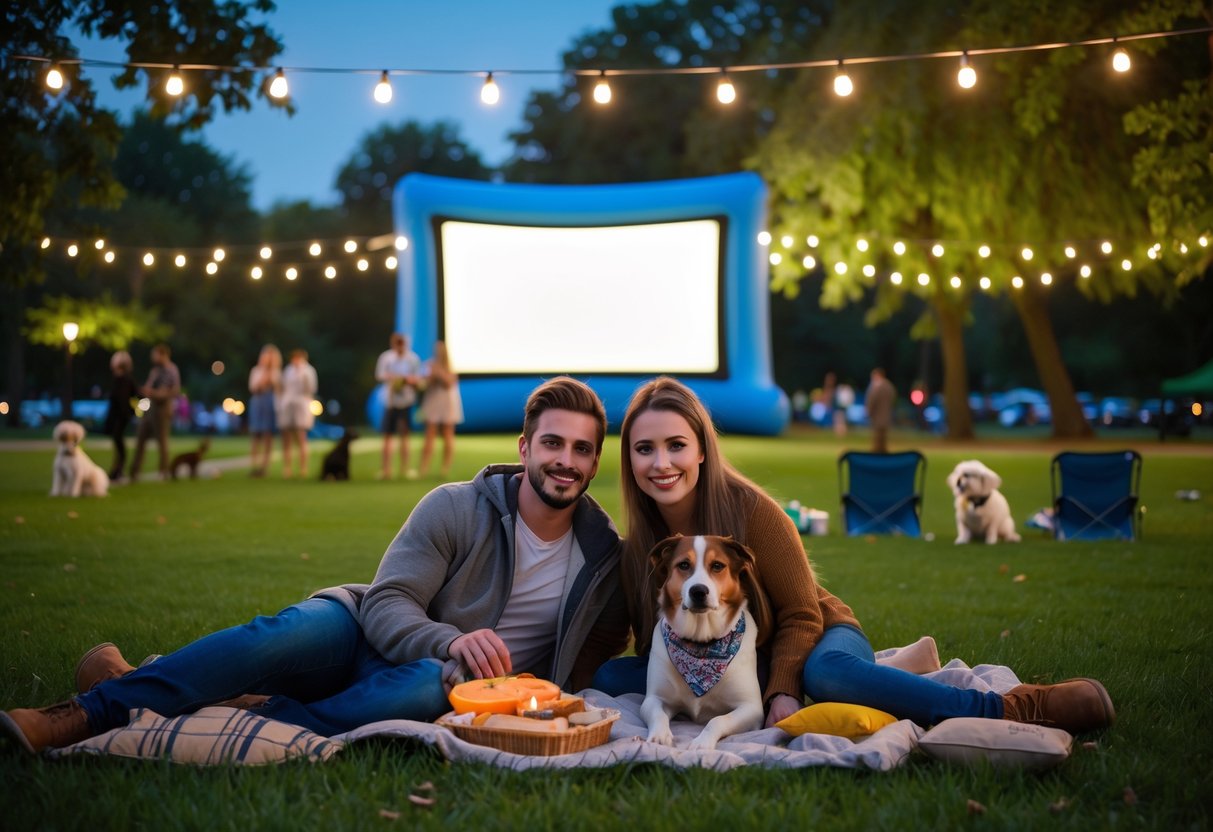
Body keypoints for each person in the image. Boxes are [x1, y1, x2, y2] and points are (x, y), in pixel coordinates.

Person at [0, 377, 630, 754]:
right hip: (359, 632)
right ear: (525, 447)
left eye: (581, 448)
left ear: (595, 462)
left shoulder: (603, 562)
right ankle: (86, 712)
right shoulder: (457, 506)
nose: (565, 460)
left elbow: (627, 654)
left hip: (435, 686)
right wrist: (453, 638)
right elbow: (387, 603)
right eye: (552, 443)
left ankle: (205, 711)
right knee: (288, 632)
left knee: (421, 687)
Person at [592, 377, 1114, 735]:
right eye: (645, 449)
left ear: (702, 449)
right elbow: (634, 636)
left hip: (817, 632)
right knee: (615, 679)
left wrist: (782, 690)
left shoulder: (751, 511)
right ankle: (901, 668)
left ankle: (1011, 706)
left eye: (676, 445)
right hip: (728, 664)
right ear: (630, 458)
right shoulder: (641, 549)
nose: (661, 462)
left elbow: (800, 613)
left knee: (828, 676)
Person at [128, 343, 181, 482]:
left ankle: (164, 471)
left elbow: (174, 390)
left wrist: (158, 393)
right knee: (140, 438)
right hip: (150, 407)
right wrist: (146, 391)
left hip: (163, 408)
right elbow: (149, 386)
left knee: (162, 441)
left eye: (155, 354)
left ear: (163, 354)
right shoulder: (155, 371)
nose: (153, 357)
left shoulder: (172, 370)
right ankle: (134, 471)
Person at [375, 333, 423, 480]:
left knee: (405, 435)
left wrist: (407, 381)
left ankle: (405, 468)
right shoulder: (386, 357)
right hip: (390, 401)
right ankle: (386, 469)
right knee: (387, 435)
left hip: (406, 401)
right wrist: (392, 378)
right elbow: (379, 375)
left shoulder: (413, 358)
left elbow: (418, 379)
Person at [418, 341, 463, 479]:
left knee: (448, 434)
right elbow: (423, 383)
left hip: (448, 402)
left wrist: (438, 372)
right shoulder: (428, 365)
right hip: (433, 402)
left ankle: (445, 468)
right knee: (429, 434)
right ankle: (423, 468)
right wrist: (429, 376)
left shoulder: (451, 365)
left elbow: (449, 383)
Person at [277, 348, 318, 479]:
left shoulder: (308, 371)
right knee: (286, 437)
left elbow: (311, 388)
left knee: (301, 436)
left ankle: (303, 467)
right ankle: (287, 467)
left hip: (302, 404)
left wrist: (303, 375)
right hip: (288, 403)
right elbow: (283, 387)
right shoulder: (288, 370)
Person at [247, 344, 282, 477]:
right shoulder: (256, 370)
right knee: (256, 434)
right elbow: (254, 388)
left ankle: (265, 466)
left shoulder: (276, 372)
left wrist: (271, 374)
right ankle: (253, 465)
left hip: (270, 404)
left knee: (268, 435)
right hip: (258, 403)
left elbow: (278, 389)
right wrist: (264, 376)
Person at [102, 350, 136, 481]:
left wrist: (131, 411)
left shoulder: (124, 380)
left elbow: (132, 396)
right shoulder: (120, 379)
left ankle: (118, 470)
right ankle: (117, 469)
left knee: (119, 442)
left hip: (121, 416)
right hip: (119, 415)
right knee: (118, 443)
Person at [864, 367, 896, 453]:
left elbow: (872, 400)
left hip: (877, 415)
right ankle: (883, 451)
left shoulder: (876, 386)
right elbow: (893, 399)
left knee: (877, 436)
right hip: (887, 415)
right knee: (883, 436)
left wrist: (868, 411)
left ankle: (877, 452)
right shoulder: (889, 386)